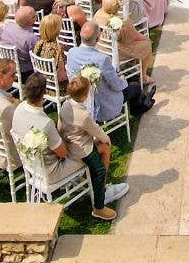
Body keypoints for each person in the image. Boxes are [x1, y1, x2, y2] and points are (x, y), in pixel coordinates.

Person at [59, 75, 130, 220]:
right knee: (99, 171)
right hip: (81, 150)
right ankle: (99, 206)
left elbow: (60, 125)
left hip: (68, 143)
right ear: (85, 95)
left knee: (103, 148)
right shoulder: (83, 115)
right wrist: (106, 138)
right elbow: (96, 130)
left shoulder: (66, 104)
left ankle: (101, 188)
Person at [66, 22, 154, 121]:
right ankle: (136, 109)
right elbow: (116, 85)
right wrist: (123, 80)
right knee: (135, 86)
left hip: (81, 100)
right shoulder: (102, 59)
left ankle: (144, 99)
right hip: (103, 106)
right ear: (98, 39)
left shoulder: (71, 53)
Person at [95, 0, 155, 87]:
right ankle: (143, 75)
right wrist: (147, 40)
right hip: (117, 52)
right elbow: (137, 37)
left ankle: (134, 68)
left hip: (102, 48)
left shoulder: (97, 15)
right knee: (147, 44)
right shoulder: (122, 22)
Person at [0, 6, 40, 75]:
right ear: (28, 21)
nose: (36, 17)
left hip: (7, 64)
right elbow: (38, 57)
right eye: (34, 16)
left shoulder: (7, 26)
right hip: (25, 71)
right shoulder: (30, 38)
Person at [33, 13, 68, 86]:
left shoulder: (38, 44)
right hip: (58, 87)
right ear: (57, 30)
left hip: (42, 84)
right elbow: (62, 76)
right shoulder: (58, 49)